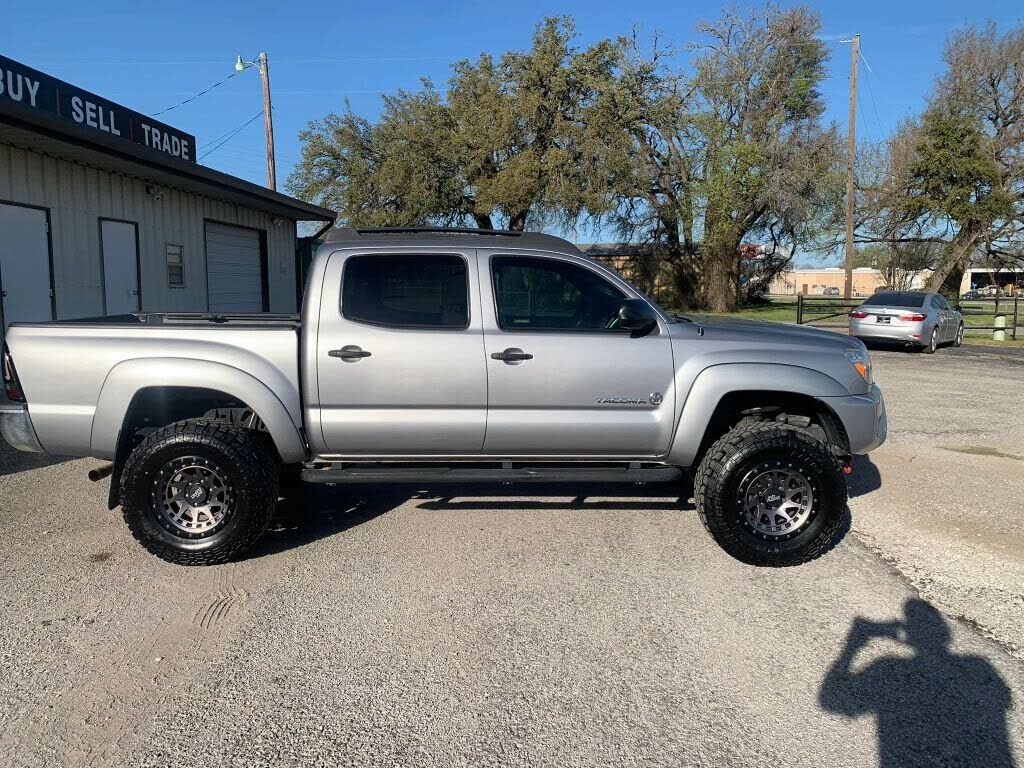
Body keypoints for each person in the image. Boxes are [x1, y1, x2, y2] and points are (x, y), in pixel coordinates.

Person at [819, 598, 1015, 768]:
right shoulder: (978, 666)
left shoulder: (886, 668)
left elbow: (830, 700)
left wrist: (854, 643)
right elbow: (1003, 702)